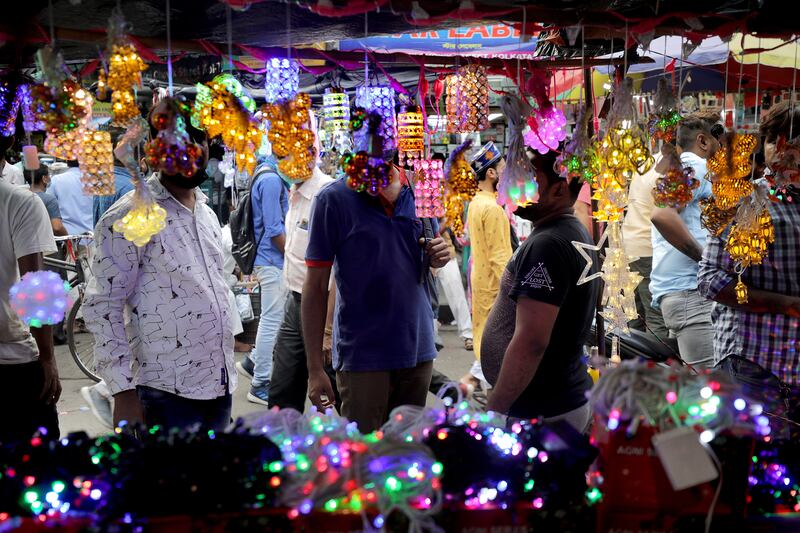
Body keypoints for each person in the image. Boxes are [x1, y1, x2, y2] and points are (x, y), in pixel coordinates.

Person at [83, 101, 235, 431]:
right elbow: (102, 305)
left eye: (198, 139)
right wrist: (121, 392)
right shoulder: (133, 214)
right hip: (164, 392)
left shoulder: (206, 213)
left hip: (219, 385)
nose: (190, 149)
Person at [302, 151, 451, 433]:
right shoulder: (332, 199)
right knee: (364, 459)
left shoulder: (418, 188)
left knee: (405, 458)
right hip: (362, 357)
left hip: (417, 350)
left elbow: (426, 258)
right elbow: (316, 286)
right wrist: (314, 368)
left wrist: (437, 255)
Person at [482, 150, 599, 432]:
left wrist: (495, 407)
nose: (514, 184)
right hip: (555, 401)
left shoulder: (547, 244)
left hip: (542, 410)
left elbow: (531, 341)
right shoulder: (568, 231)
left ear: (558, 190)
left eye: (529, 179)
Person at [699, 101, 800, 386]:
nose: (782, 150)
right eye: (773, 140)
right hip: (755, 359)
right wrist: (784, 304)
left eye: (793, 141)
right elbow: (710, 280)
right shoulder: (746, 200)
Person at [649, 113, 720, 368]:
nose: (722, 146)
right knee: (710, 390)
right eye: (718, 136)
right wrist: (708, 259)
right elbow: (662, 216)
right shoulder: (695, 165)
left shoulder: (686, 167)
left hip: (687, 292)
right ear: (703, 140)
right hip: (691, 292)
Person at [266, 164, 337, 412]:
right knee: (282, 391)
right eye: (278, 154)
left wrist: (327, 329)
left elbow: (338, 271)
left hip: (323, 307)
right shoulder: (294, 193)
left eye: (286, 153)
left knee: (339, 388)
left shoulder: (326, 194)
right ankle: (281, 446)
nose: (281, 161)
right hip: (294, 303)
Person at [0, 179, 61, 443]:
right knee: (38, 469)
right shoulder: (20, 202)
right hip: (13, 367)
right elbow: (34, 287)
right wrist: (47, 357)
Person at [235, 162, 288, 405]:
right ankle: (260, 384)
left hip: (269, 259)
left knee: (273, 318)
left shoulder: (267, 175)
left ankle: (253, 361)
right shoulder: (271, 180)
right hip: (271, 259)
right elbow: (274, 228)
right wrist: (293, 256)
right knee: (271, 321)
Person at [464, 142, 512, 387]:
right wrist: (516, 294)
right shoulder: (491, 208)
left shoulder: (476, 203)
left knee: (488, 361)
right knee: (499, 366)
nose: (506, 173)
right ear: (491, 173)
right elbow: (501, 259)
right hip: (496, 291)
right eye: (503, 168)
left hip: (483, 287)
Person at [622, 153, 668, 338]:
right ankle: (656, 365)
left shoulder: (650, 161)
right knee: (656, 316)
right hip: (648, 247)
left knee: (634, 316)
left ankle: (632, 363)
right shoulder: (667, 167)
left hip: (631, 242)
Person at [437, 225, 473, 350]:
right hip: (420, 254)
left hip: (445, 252)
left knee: (457, 295)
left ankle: (468, 333)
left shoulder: (449, 206)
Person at [47, 159, 94, 235]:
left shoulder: (56, 180)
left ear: (67, 161)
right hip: (92, 236)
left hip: (67, 238)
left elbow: (49, 209)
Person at [26, 165, 68, 237]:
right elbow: (57, 227)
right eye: (48, 175)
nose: (50, 177)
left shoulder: (21, 197)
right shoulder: (49, 200)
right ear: (44, 178)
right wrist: (68, 238)